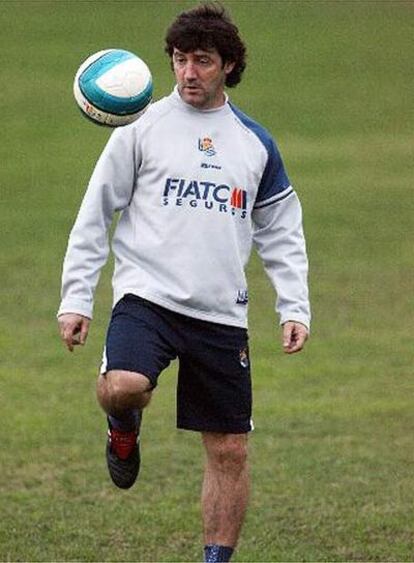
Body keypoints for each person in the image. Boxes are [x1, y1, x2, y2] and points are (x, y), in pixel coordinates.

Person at [57, 3, 310, 562]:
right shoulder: (139, 128)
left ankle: (215, 559)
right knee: (123, 385)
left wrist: (294, 307)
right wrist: (76, 298)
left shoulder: (254, 143)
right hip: (148, 301)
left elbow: (281, 230)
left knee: (230, 451)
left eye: (203, 60)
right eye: (179, 60)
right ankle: (123, 424)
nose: (189, 72)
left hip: (221, 315)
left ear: (229, 65)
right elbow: (95, 214)